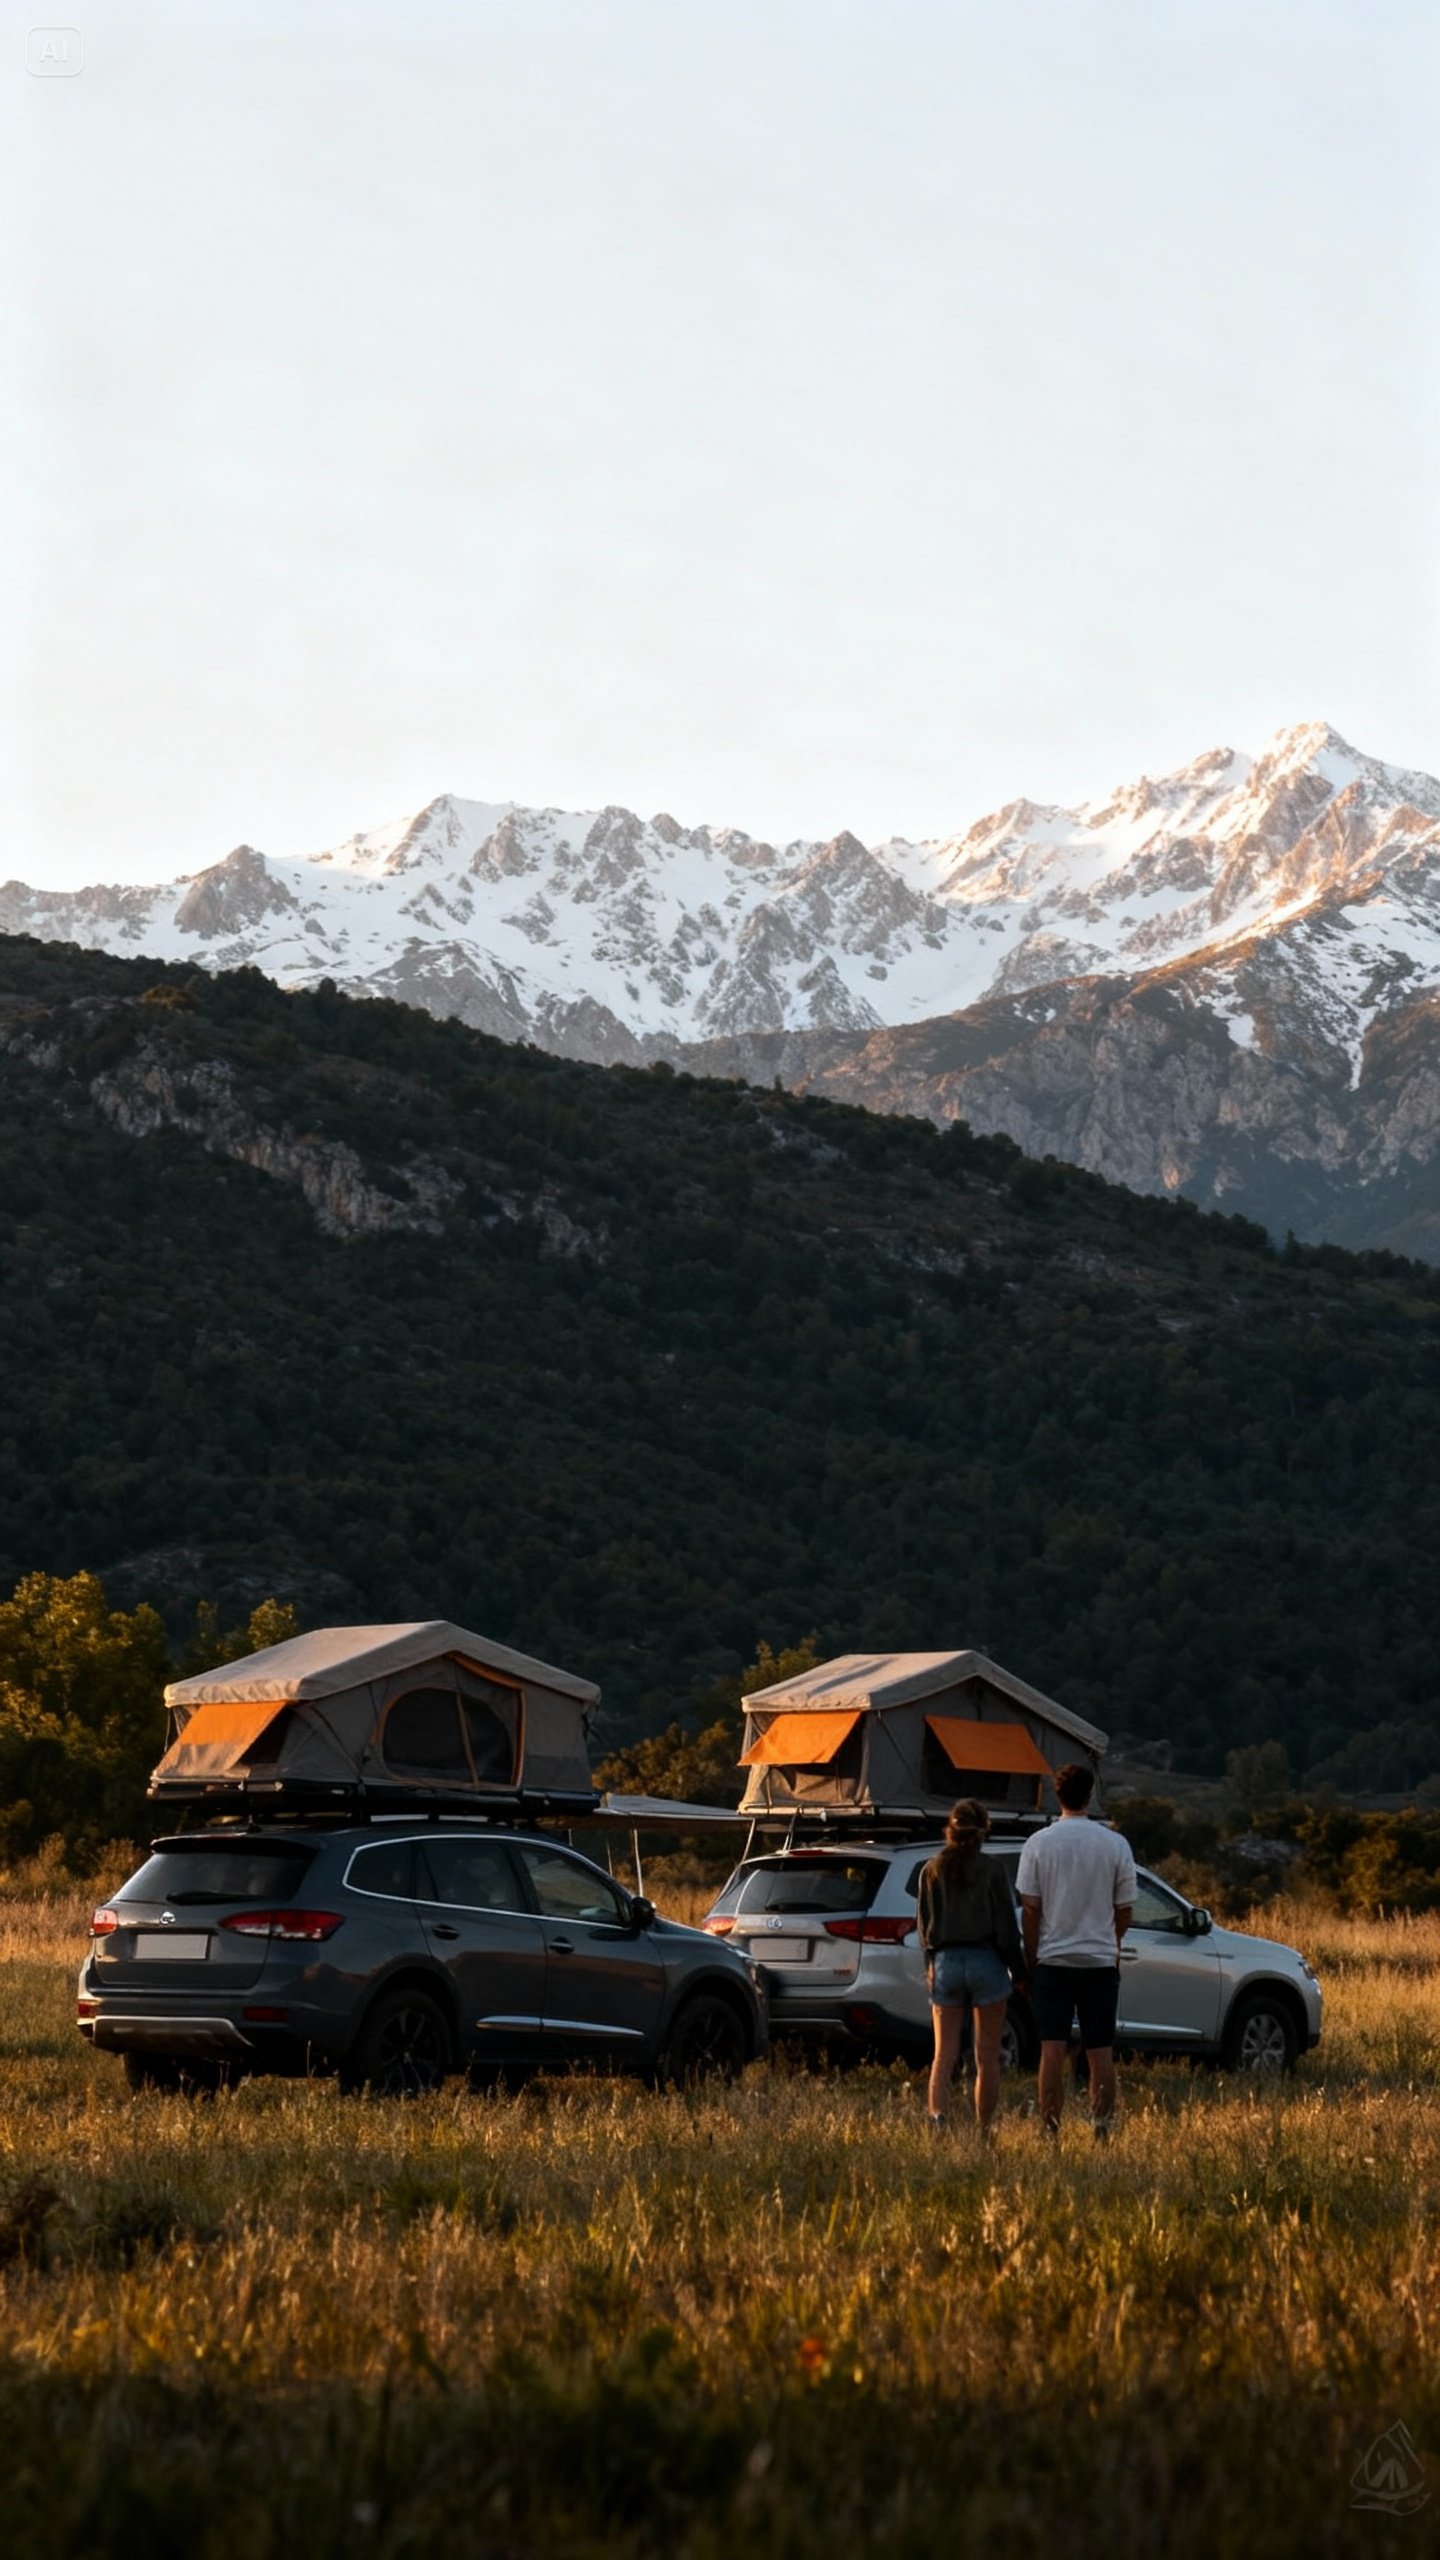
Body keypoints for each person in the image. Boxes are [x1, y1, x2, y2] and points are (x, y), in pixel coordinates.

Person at [1015, 1762, 1135, 2141]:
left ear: (1058, 1795)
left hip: (1052, 1961)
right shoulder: (1115, 1844)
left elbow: (1030, 1909)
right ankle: (1102, 2129)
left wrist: (1031, 1959)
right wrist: (1111, 1940)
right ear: (1090, 1795)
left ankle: (1050, 2130)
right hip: (1099, 1961)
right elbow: (1125, 1908)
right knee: (1100, 2052)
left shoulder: (1038, 1844)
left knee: (1051, 2050)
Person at [916, 1798, 1025, 2136]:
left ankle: (938, 2120)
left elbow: (923, 1926)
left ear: (950, 1829)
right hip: (986, 1960)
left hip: (945, 1962)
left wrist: (930, 1965)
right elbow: (1006, 1928)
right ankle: (984, 2128)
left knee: (943, 2054)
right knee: (987, 2055)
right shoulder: (993, 1870)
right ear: (983, 1830)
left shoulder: (931, 1869)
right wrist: (1019, 1972)